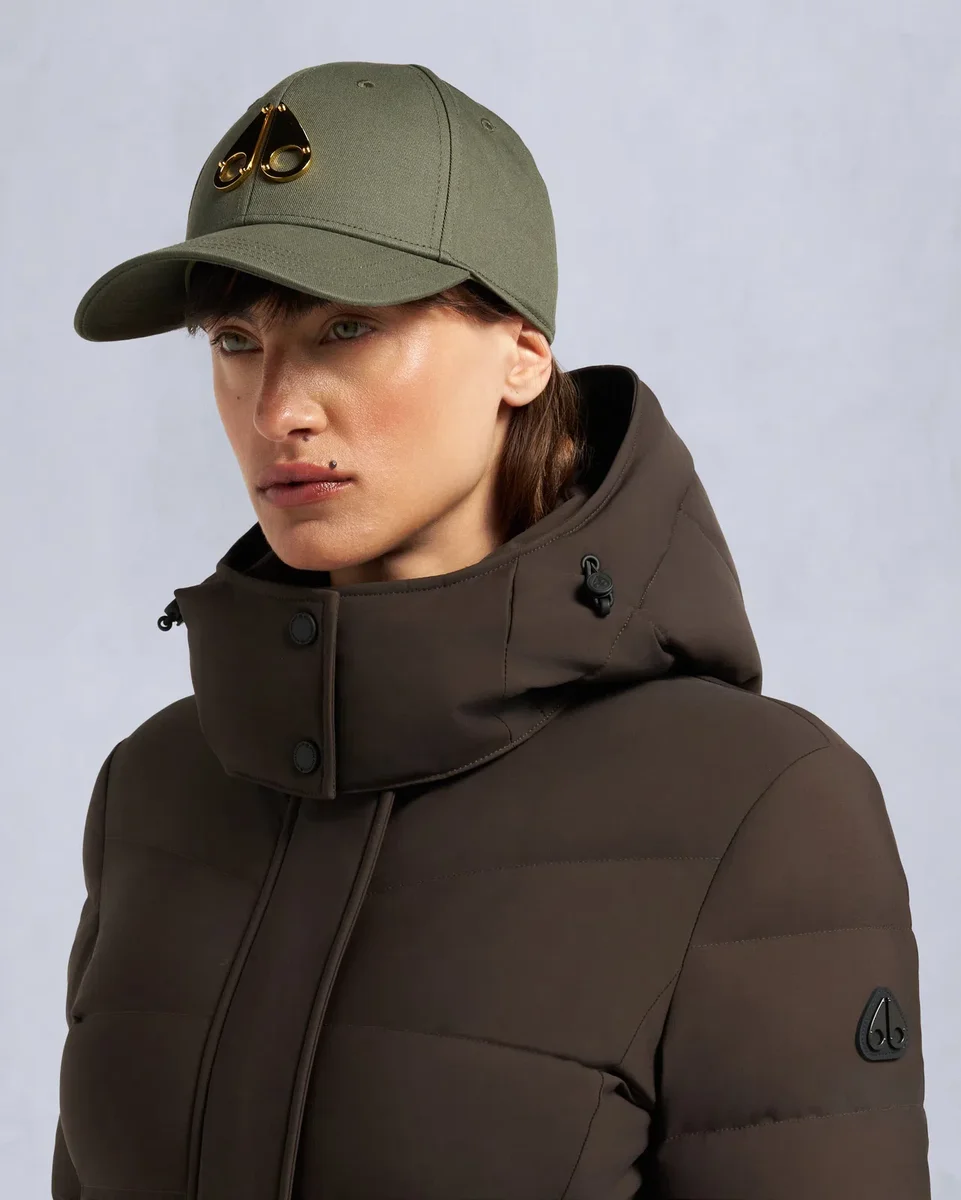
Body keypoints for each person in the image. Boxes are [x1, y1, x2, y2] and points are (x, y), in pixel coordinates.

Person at [52, 61, 930, 1200]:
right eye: (233, 341)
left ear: (521, 352)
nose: (277, 410)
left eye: (346, 328)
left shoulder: (757, 807)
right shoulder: (158, 788)